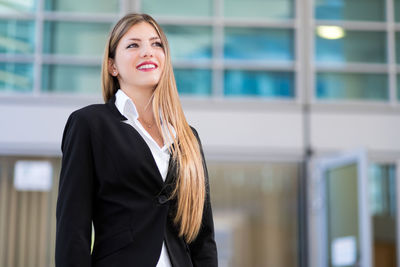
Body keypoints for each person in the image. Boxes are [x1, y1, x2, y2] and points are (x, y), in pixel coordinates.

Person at [55, 13, 218, 267]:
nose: (147, 52)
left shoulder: (187, 137)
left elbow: (202, 238)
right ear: (112, 66)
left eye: (156, 44)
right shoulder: (89, 124)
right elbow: (72, 229)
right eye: (133, 45)